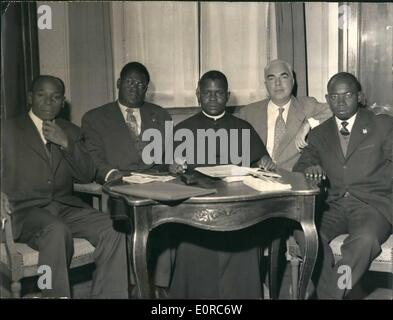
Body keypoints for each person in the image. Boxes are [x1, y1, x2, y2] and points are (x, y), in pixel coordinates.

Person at [2, 75, 129, 298]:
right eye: (41, 95)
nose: (48, 102)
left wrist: (66, 144)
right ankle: (50, 292)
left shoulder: (71, 131)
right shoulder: (7, 130)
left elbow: (86, 173)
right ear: (30, 98)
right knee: (56, 231)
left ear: (63, 102)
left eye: (55, 97)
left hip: (64, 206)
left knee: (114, 228)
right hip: (23, 211)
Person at [168, 70, 274, 299]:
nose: (213, 98)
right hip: (196, 212)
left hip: (239, 210)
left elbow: (262, 163)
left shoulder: (243, 128)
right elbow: (166, 167)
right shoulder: (182, 129)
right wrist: (172, 167)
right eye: (207, 93)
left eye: (218, 93)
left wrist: (265, 162)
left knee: (244, 249)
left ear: (228, 96)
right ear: (198, 94)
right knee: (190, 249)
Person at [293, 72, 393, 299]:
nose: (340, 101)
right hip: (332, 205)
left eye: (347, 95)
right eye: (334, 96)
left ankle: (331, 293)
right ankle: (334, 293)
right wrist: (310, 170)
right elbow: (301, 167)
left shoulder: (382, 125)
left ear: (359, 96)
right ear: (328, 100)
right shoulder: (318, 134)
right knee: (304, 233)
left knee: (364, 241)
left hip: (371, 206)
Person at [81, 62, 173, 296]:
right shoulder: (95, 117)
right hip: (118, 184)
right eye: (130, 82)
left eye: (141, 84)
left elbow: (170, 154)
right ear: (119, 83)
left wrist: (171, 167)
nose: (135, 88)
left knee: (170, 218)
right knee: (130, 222)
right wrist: (111, 175)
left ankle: (158, 285)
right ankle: (130, 283)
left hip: (156, 183)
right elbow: (93, 156)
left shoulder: (160, 115)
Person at [235, 59, 332, 171]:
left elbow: (333, 109)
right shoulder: (249, 112)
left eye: (283, 76)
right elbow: (226, 127)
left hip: (293, 179)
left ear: (293, 80)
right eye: (271, 78)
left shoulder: (308, 106)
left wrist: (308, 123)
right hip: (257, 179)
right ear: (266, 84)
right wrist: (254, 158)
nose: (277, 83)